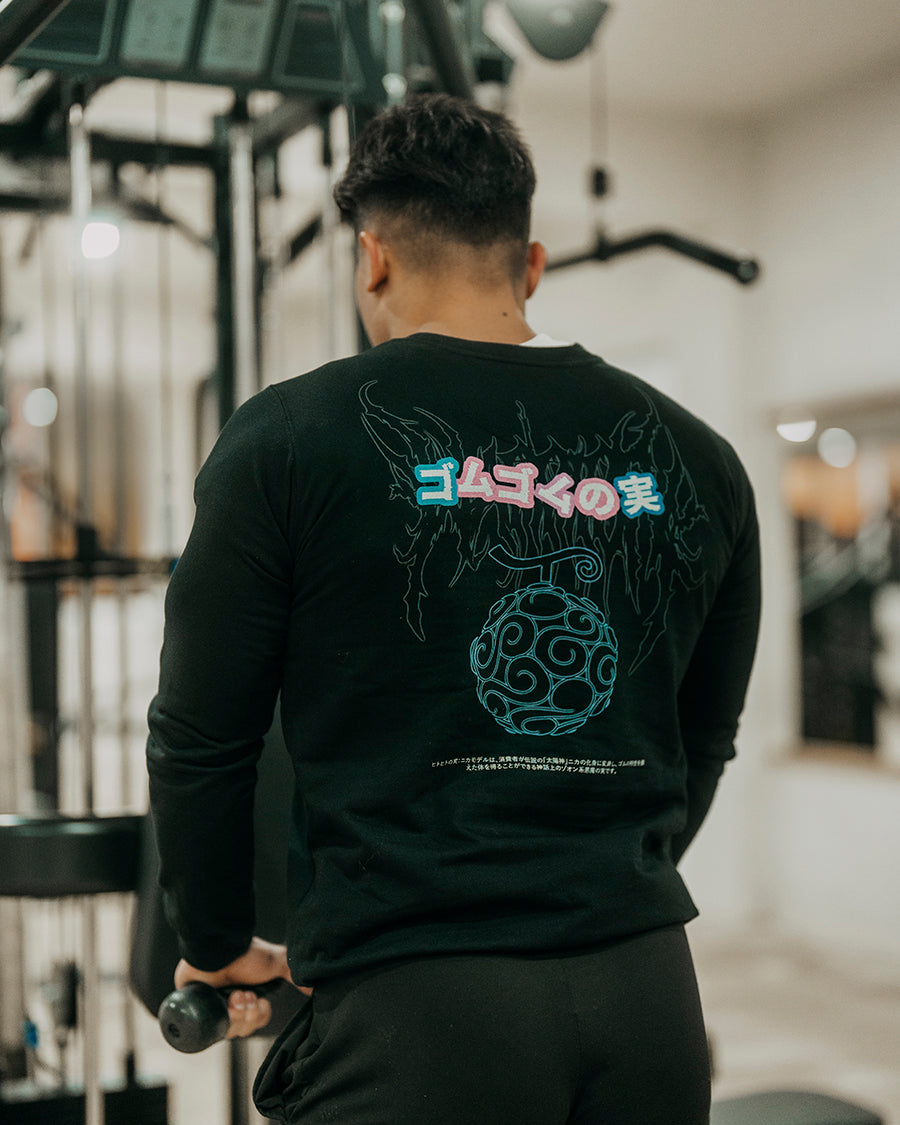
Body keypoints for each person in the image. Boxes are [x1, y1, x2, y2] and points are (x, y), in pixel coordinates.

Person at [147, 93, 760, 1125]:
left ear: (372, 259)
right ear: (532, 265)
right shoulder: (703, 460)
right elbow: (706, 739)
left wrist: (212, 941)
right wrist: (596, 880)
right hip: (648, 999)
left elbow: (201, 741)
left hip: (416, 1015)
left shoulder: (287, 438)